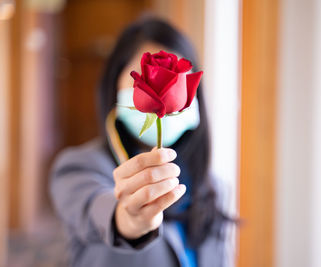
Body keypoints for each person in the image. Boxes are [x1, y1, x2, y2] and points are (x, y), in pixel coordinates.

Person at [49, 16, 234, 267]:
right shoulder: (79, 168)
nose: (165, 89)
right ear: (114, 87)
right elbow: (99, 210)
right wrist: (129, 221)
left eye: (176, 79)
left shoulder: (212, 187)